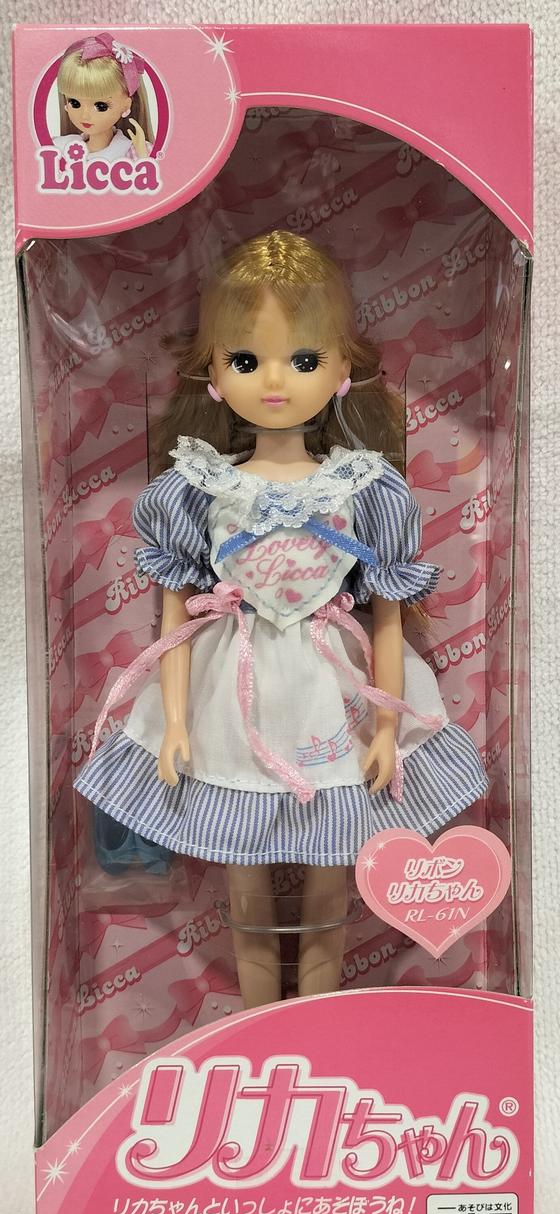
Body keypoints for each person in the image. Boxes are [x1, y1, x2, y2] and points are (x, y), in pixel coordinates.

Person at [74, 231, 488, 1006]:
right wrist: (174, 721)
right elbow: (176, 610)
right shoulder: (198, 487)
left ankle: (318, 1026)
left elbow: (387, 615)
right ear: (211, 371)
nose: (273, 381)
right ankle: (260, 1027)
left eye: (302, 360)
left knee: (335, 875)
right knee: (245, 883)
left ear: (342, 368)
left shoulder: (363, 487)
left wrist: (389, 727)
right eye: (245, 360)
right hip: (232, 688)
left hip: (330, 687)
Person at [52, 31, 153, 161]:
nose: (85, 115)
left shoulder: (135, 152)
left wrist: (142, 155)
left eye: (101, 106)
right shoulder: (58, 148)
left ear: (126, 105)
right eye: (75, 103)